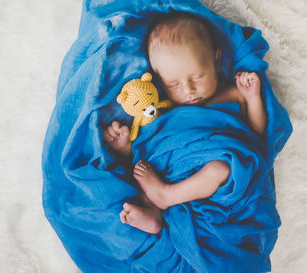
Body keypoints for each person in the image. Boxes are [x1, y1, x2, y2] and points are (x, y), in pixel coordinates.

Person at [103, 12, 267, 234]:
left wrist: (252, 98)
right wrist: (125, 148)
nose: (188, 90)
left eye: (197, 77)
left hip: (218, 175)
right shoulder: (168, 110)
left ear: (216, 60)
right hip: (175, 170)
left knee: (221, 169)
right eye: (173, 84)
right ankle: (153, 214)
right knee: (148, 169)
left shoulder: (233, 94)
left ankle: (167, 197)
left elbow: (255, 132)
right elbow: (153, 144)